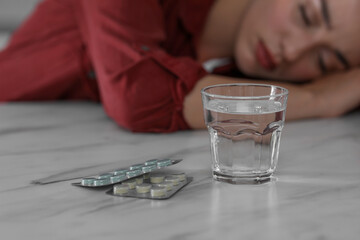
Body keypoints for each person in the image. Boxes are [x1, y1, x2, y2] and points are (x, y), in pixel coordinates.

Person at [0, 0, 359, 132]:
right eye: (307, 15)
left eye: (324, 59)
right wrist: (317, 100)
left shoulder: (237, 71)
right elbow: (138, 95)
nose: (293, 50)